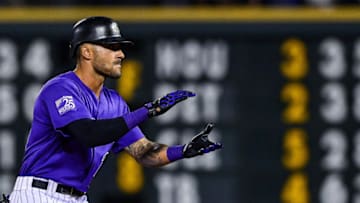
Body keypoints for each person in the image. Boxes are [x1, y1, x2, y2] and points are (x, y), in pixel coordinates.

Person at [8, 16, 222, 203]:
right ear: (86, 52)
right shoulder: (61, 88)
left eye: (120, 48)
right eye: (111, 47)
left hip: (78, 197)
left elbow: (145, 153)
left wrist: (182, 151)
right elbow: (87, 134)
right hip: (39, 194)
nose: (120, 54)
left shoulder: (115, 103)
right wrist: (147, 111)